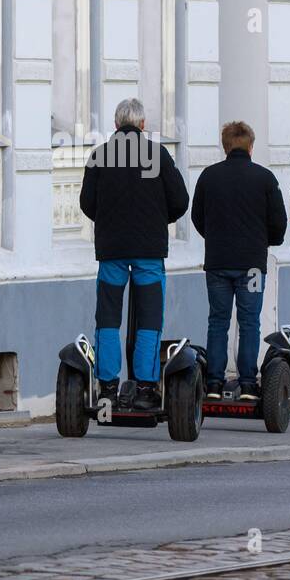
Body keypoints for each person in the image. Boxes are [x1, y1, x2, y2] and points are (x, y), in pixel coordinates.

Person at [79, 98, 189, 411]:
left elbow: (87, 203)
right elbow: (180, 201)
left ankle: (108, 389)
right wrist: (157, 219)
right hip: (149, 250)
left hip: (112, 249)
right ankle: (144, 388)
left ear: (116, 125)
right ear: (143, 125)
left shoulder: (99, 156)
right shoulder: (158, 154)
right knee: (149, 319)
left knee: (109, 319)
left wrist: (109, 219)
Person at [191, 121, 288, 399]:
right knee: (249, 322)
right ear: (251, 147)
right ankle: (247, 383)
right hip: (253, 265)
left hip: (218, 263)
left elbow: (198, 217)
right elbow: (278, 222)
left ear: (224, 146)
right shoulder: (265, 178)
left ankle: (213, 384)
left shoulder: (209, 177)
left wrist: (214, 237)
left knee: (217, 321)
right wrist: (266, 241)